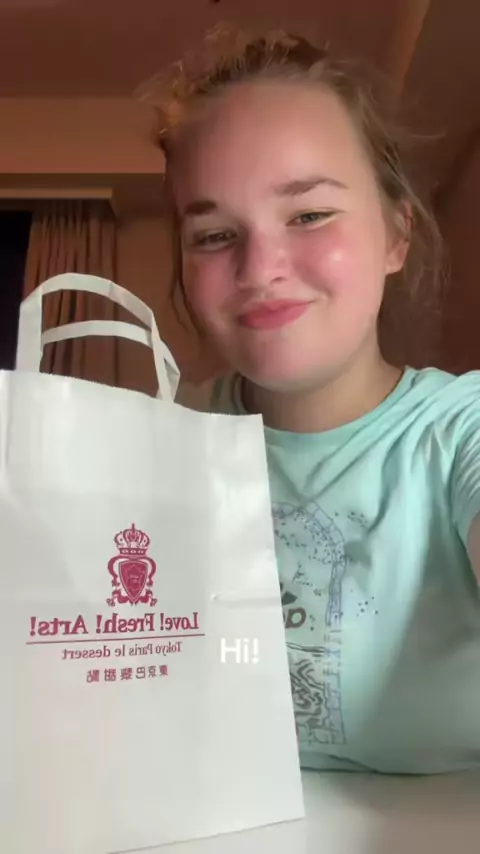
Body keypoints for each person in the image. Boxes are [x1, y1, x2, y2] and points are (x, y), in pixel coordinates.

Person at [148, 28, 480, 774]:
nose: (259, 268)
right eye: (214, 234)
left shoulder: (461, 432)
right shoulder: (159, 440)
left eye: (308, 215)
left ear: (396, 234)